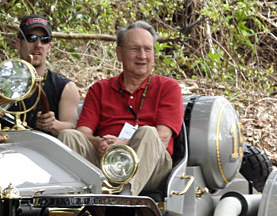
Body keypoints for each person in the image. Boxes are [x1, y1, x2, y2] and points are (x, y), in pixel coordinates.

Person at [58, 21, 184, 195]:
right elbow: (83, 133)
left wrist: (122, 145)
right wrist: (101, 143)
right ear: (120, 53)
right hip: (105, 161)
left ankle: (124, 196)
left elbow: (162, 137)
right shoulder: (100, 89)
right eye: (135, 49)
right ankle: (72, 198)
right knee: (68, 136)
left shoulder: (168, 87)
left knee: (148, 132)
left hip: (151, 167)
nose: (142, 55)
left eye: (148, 49)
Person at [0, 15, 80, 136]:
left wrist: (53, 124)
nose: (38, 45)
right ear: (18, 43)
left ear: (50, 47)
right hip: (5, 148)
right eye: (31, 38)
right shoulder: (1, 81)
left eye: (44, 40)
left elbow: (72, 129)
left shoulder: (65, 87)